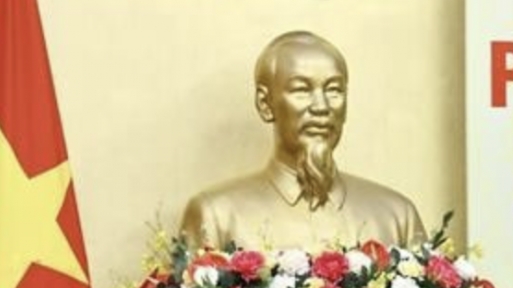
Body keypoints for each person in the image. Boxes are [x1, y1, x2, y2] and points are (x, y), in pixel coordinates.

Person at [181, 30, 425, 251]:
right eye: (301, 90)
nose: (321, 107)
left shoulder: (397, 217)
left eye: (334, 90)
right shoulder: (216, 216)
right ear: (265, 104)